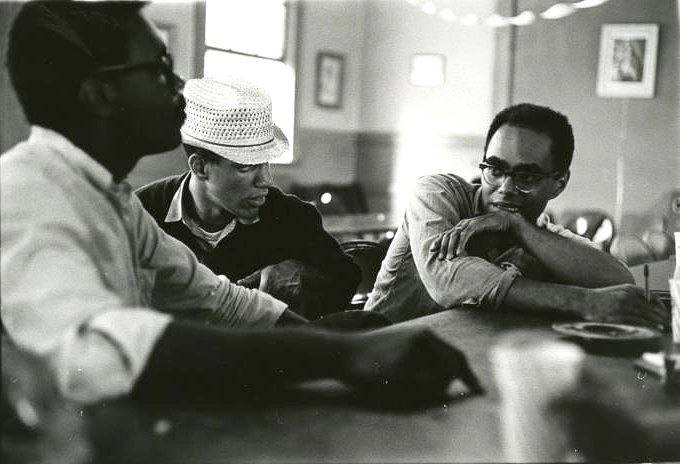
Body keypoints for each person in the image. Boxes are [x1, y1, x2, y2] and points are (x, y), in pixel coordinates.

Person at [1, 1, 480, 405]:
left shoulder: (110, 197)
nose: (180, 90)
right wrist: (341, 357)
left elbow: (215, 297)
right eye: (161, 70)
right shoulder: (27, 193)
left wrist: (330, 342)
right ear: (101, 94)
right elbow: (98, 352)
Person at [365, 103, 669, 329]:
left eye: (526, 177)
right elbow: (447, 279)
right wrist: (582, 301)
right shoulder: (436, 193)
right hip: (376, 358)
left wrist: (516, 226)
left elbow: (617, 277)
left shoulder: (535, 232)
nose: (505, 188)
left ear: (559, 183)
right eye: (495, 170)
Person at [136, 78, 360, 319]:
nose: (266, 180)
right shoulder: (143, 212)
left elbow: (347, 277)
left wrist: (305, 276)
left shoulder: (291, 216)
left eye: (266, 163)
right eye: (246, 166)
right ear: (200, 167)